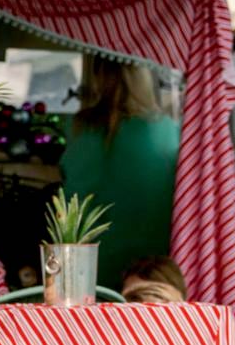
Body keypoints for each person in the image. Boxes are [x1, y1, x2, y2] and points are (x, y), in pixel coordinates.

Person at [59, 59, 179, 287]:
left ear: (95, 77)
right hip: (153, 269)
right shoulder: (167, 130)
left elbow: (70, 190)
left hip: (89, 269)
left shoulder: (79, 128)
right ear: (143, 75)